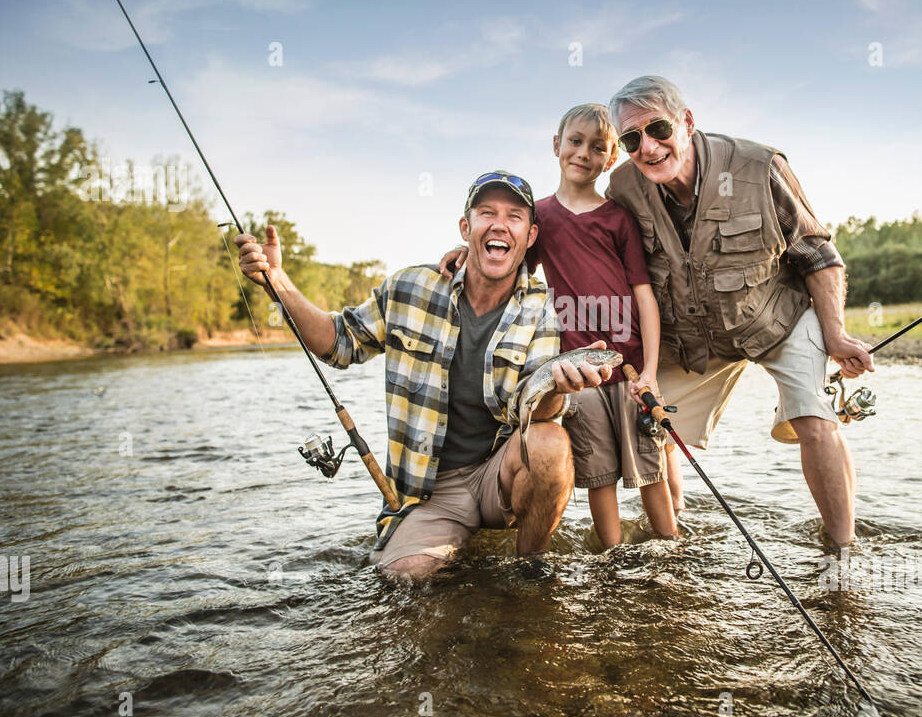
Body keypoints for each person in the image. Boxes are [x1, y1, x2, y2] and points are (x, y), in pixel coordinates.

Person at [235, 172, 615, 580]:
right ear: (466, 228)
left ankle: (528, 571)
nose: (500, 224)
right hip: (429, 492)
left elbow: (535, 412)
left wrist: (558, 387)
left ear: (530, 234)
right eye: (487, 212)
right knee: (405, 577)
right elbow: (338, 342)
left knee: (551, 444)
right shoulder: (409, 286)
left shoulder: (542, 309)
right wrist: (278, 283)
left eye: (514, 216)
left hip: (497, 476)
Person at [605, 75, 875, 546]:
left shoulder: (759, 166)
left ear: (686, 122)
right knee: (651, 424)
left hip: (778, 320)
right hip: (687, 339)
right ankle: (675, 544)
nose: (648, 148)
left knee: (814, 418)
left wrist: (836, 334)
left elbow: (818, 256)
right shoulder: (622, 187)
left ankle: (844, 549)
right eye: (631, 139)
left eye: (658, 130)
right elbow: (579, 236)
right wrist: (481, 252)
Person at [439, 105, 675, 548]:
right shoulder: (539, 219)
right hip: (575, 376)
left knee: (652, 469)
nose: (583, 153)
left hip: (629, 369)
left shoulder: (618, 217)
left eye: (598, 147)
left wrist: (651, 370)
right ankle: (610, 557)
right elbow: (503, 261)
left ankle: (670, 551)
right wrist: (463, 250)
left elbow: (645, 294)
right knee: (598, 474)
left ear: (611, 160)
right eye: (575, 141)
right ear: (556, 145)